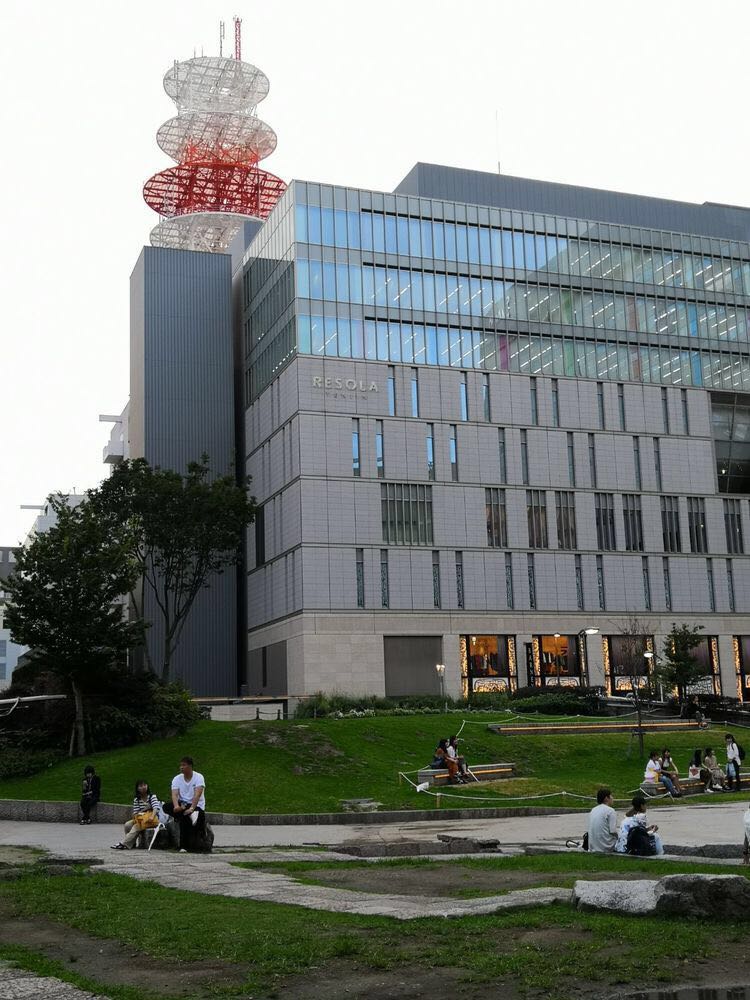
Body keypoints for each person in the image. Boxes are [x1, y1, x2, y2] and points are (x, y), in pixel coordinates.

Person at [162, 756, 207, 851]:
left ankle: (183, 846)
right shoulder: (177, 779)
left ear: (190, 766)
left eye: (184, 765)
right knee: (166, 807)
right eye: (181, 765)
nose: (181, 767)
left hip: (196, 805)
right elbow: (174, 794)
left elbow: (197, 794)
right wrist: (176, 806)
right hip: (182, 805)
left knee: (184, 817)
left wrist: (191, 808)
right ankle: (190, 815)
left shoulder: (199, 777)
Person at [110, 780, 161, 851]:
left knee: (136, 826)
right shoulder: (137, 799)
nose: (143, 787)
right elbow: (136, 812)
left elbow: (156, 808)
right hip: (141, 818)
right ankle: (132, 843)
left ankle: (123, 843)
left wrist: (152, 816)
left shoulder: (152, 796)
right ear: (137, 789)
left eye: (145, 785)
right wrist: (142, 811)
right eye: (141, 786)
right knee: (127, 825)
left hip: (152, 819)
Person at [587, 787, 618, 853]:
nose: (612, 798)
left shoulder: (593, 810)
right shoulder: (611, 811)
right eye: (611, 796)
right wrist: (620, 837)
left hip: (593, 846)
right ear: (606, 798)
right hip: (606, 846)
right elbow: (613, 831)